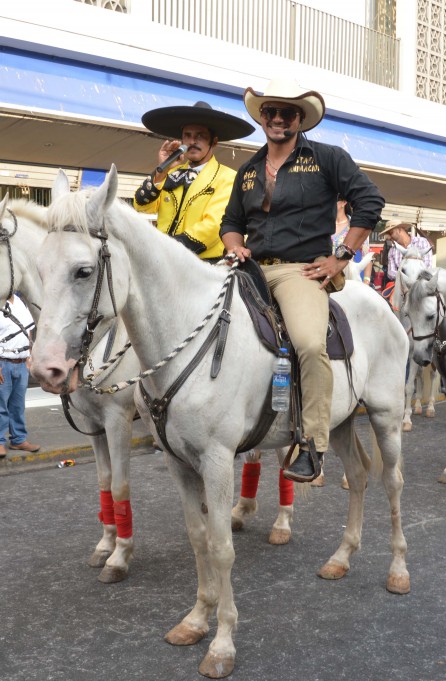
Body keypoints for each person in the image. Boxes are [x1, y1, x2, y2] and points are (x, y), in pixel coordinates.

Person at [220, 78, 385, 483]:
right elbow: (231, 222)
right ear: (262, 117)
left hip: (300, 271)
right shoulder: (248, 170)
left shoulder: (328, 158)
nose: (278, 119)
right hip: (249, 269)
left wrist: (341, 257)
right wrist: (234, 245)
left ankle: (312, 445)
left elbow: (370, 202)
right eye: (271, 112)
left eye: (287, 113)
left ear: (300, 119)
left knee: (310, 346)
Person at [135, 100, 254, 260]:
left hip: (203, 266)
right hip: (163, 261)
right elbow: (142, 207)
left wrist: (166, 247)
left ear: (214, 141)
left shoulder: (228, 177)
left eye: (200, 136)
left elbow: (213, 226)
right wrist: (161, 170)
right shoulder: (170, 172)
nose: (192, 142)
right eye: (188, 136)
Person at [0, 294, 40, 456]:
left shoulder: (21, 302)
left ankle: (18, 439)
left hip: (21, 362)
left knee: (17, 405)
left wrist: (29, 355)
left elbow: (28, 330)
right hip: (0, 362)